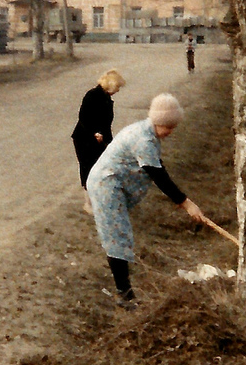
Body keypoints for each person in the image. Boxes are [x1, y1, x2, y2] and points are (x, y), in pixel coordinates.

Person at [86, 92, 204, 306]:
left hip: (112, 183)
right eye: (168, 127)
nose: (170, 132)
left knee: (120, 233)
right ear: (158, 121)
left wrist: (185, 202)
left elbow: (158, 165)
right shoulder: (143, 139)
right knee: (117, 235)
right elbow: (158, 176)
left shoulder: (147, 131)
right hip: (106, 185)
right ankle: (124, 295)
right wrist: (186, 204)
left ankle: (125, 291)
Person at [71, 70, 124, 189]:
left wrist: (110, 142)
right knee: (88, 167)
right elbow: (84, 117)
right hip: (84, 138)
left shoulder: (106, 98)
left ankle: (96, 197)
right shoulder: (92, 95)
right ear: (111, 84)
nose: (118, 90)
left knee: (100, 168)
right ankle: (89, 200)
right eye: (118, 87)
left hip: (99, 139)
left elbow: (106, 124)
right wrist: (94, 133)